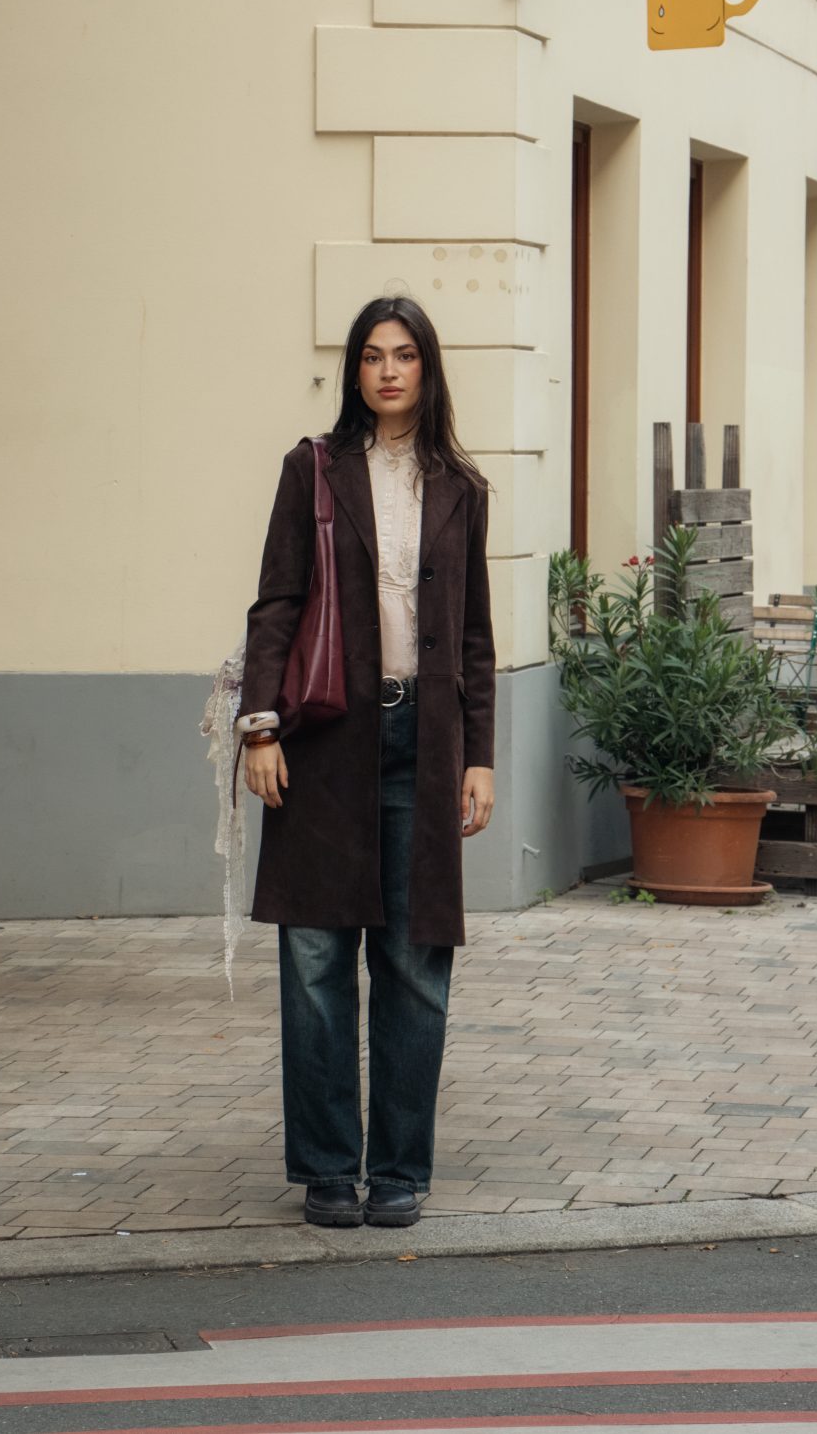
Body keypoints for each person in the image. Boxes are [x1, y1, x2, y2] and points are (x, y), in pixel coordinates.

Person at [237, 296, 496, 1229]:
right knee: (313, 960)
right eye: (373, 356)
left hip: (423, 750)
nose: (389, 371)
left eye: (406, 356)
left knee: (415, 963)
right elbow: (276, 604)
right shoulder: (312, 471)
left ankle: (398, 1169)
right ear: (354, 371)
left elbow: (473, 639)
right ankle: (325, 1169)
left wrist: (480, 758)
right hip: (322, 745)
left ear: (428, 370)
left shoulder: (460, 489)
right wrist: (258, 727)